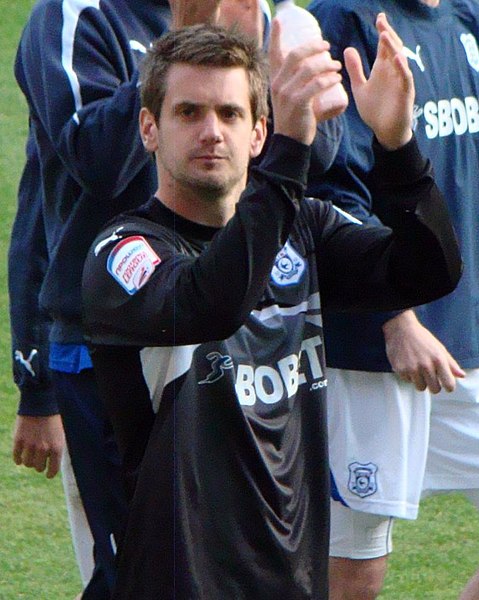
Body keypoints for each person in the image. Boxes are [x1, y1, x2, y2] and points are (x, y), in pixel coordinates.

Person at [81, 21, 461, 599]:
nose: (212, 132)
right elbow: (210, 304)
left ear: (257, 132)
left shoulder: (304, 227)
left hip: (294, 575)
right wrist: (289, 155)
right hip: (178, 579)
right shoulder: (122, 254)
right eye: (189, 113)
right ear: (149, 128)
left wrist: (397, 145)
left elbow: (426, 271)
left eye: (231, 115)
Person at [9, 1, 275, 597]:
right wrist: (36, 380)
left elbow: (298, 160)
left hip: (238, 328)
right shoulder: (75, 16)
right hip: (109, 349)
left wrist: (290, 88)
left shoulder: (249, 8)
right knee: (140, 566)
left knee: (233, 549)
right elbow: (94, 164)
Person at [306, 1, 479, 598]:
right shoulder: (343, 19)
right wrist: (396, 317)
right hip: (373, 350)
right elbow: (329, 183)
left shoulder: (471, 22)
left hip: (472, 332)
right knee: (354, 572)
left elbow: (464, 171)